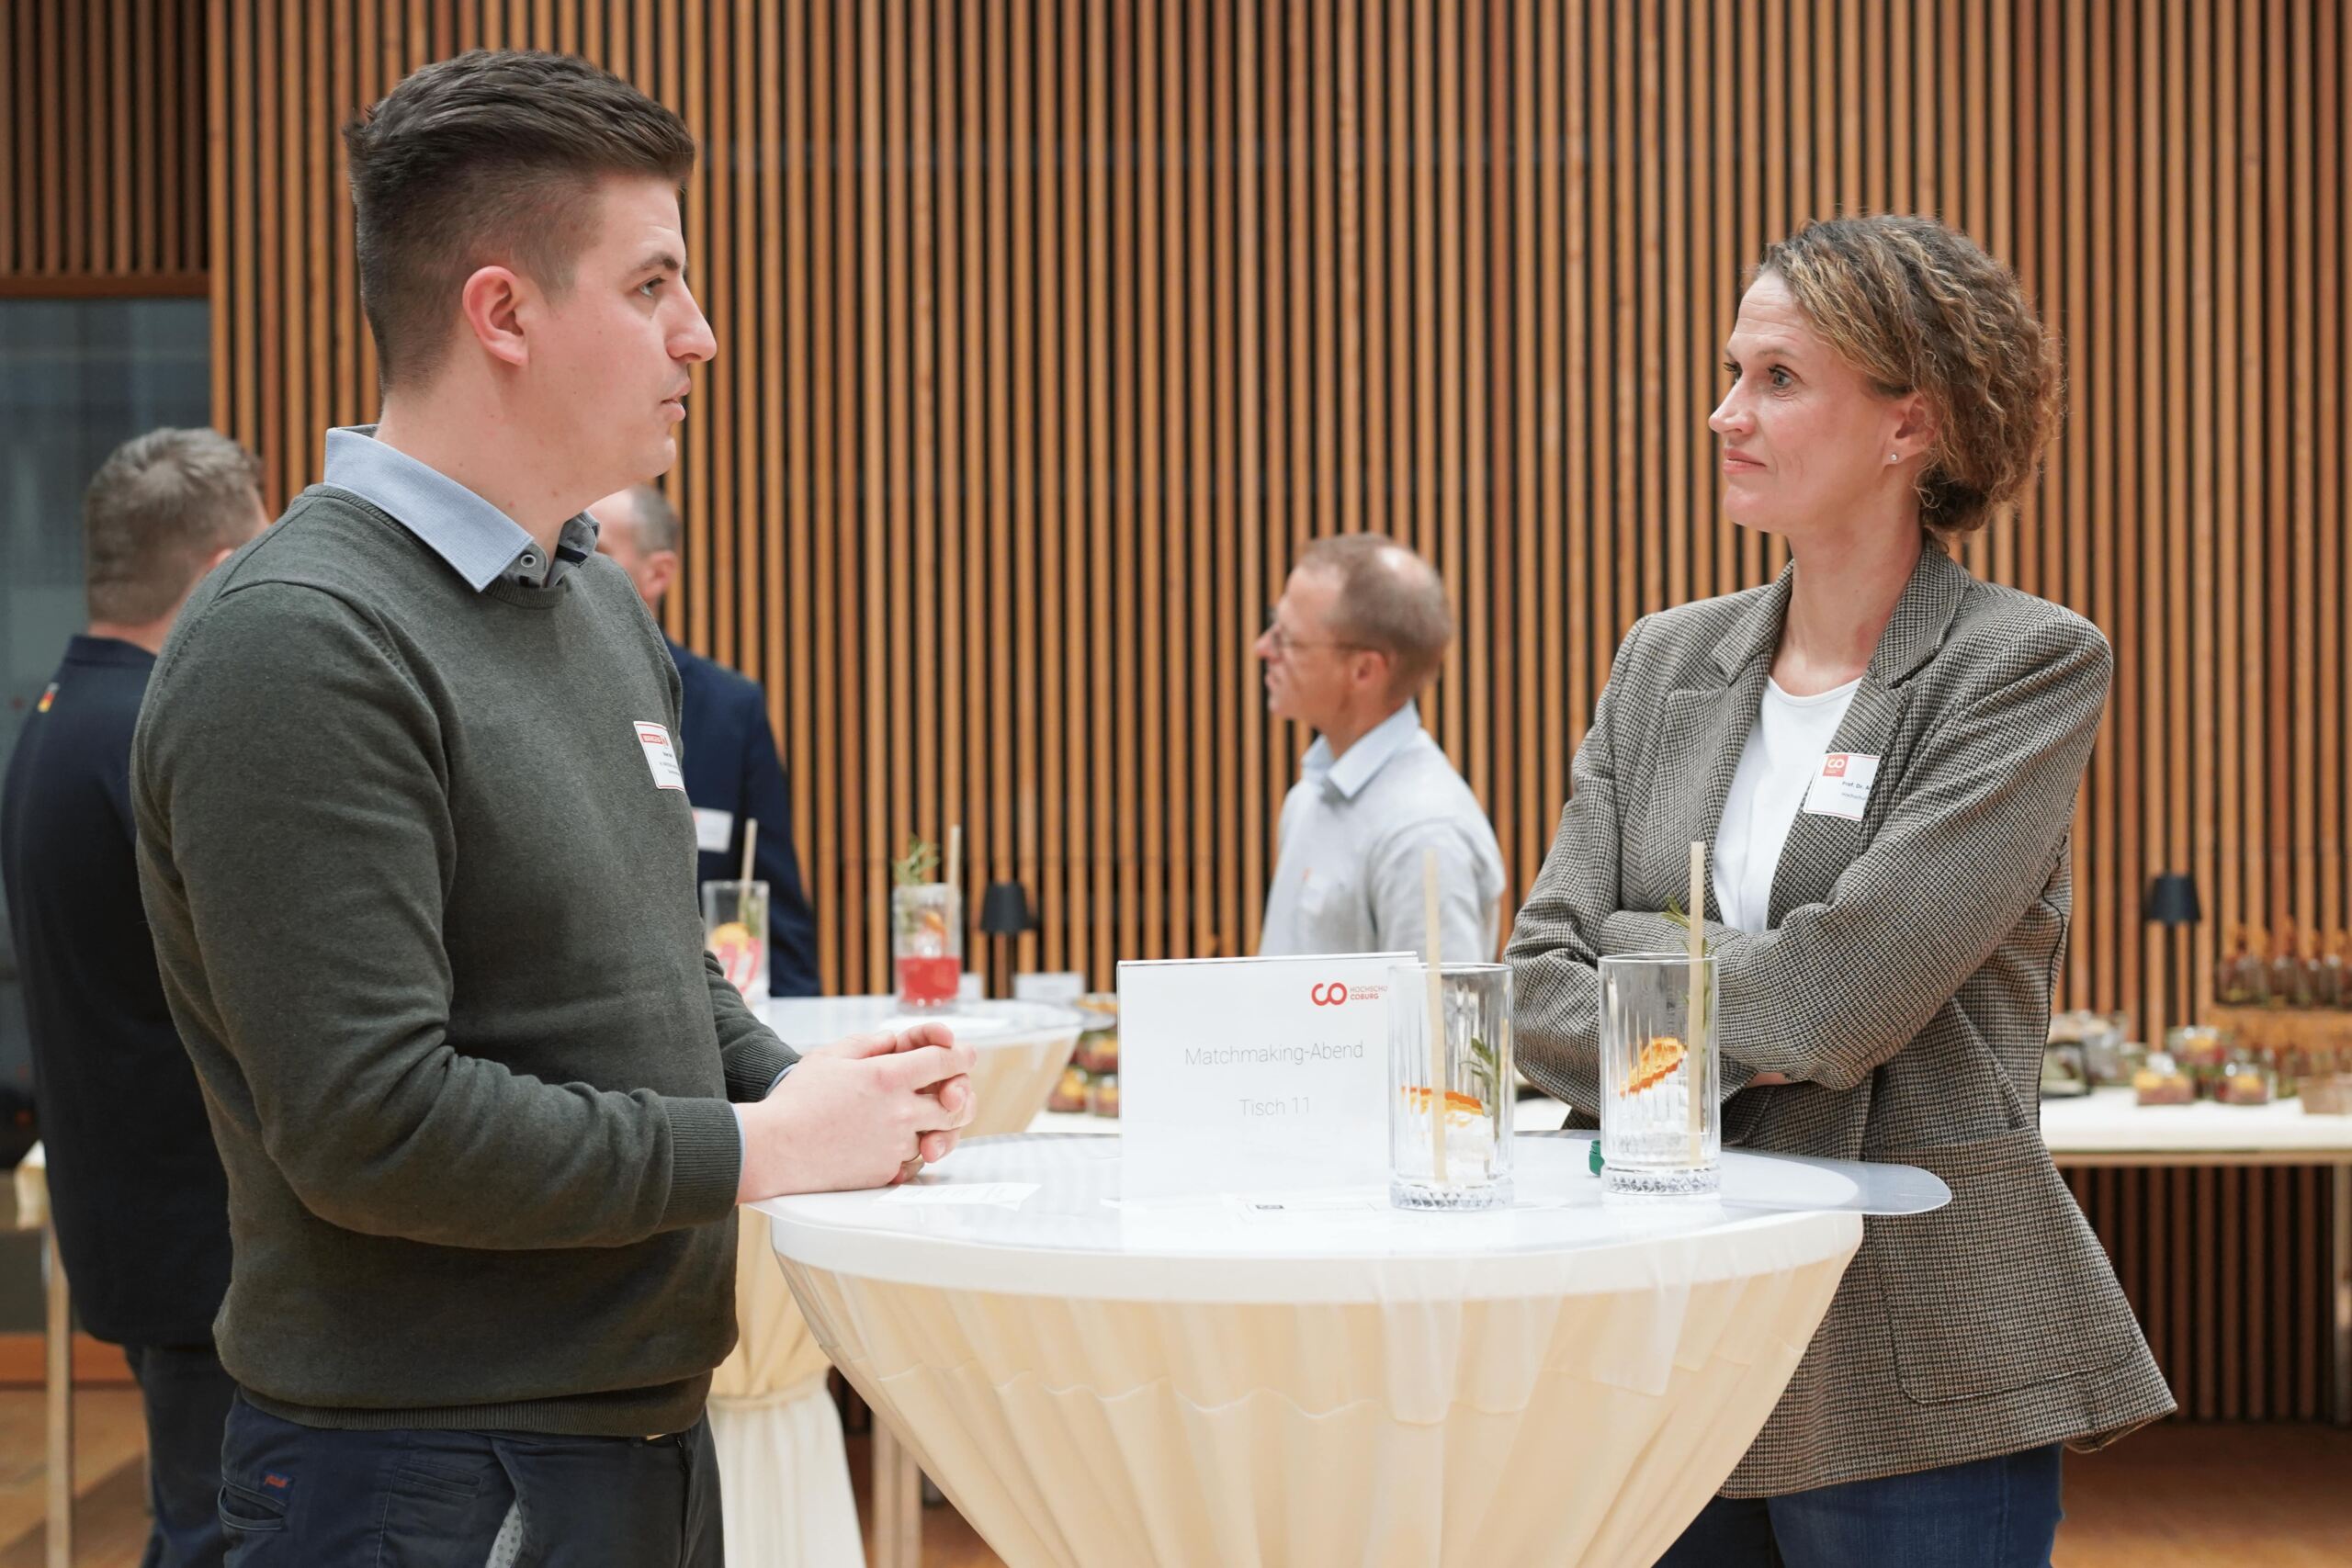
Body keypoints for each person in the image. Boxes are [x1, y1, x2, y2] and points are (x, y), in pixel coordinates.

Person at [130, 50, 975, 1564]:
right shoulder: (299, 641)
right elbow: (374, 1126)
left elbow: (650, 983)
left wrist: (829, 1094)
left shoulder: (590, 600)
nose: (701, 337)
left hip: (631, 1431)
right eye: (654, 284)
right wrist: (763, 1147)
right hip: (419, 1478)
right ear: (504, 312)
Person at [1508, 214, 2172, 1564]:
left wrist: (1639, 959)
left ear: (1907, 423)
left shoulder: (2023, 667)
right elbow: (1530, 989)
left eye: (1777, 378)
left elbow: (1840, 997)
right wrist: (1725, 982)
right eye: (1733, 372)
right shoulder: (1662, 662)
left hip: (1919, 1352)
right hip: (1676, 1339)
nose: (1724, 413)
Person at [2, 429, 268, 1568]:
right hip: (199, 1236)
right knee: (218, 1536)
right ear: (216, 576)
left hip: (137, 1222)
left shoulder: (63, 716)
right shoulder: (157, 733)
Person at [591, 482, 820, 995]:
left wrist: (795, 1057)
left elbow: (775, 901)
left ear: (659, 572)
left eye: (596, 550)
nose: (571, 563)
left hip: (711, 1011)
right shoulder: (528, 684)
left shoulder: (729, 708)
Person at [1255, 533, 1506, 963]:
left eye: (1287, 640)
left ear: (1364, 670)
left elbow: (1439, 1026)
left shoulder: (1424, 834)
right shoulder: (1310, 796)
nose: (1263, 648)